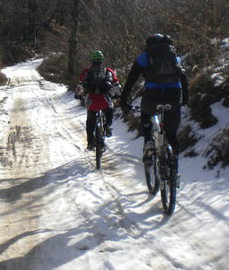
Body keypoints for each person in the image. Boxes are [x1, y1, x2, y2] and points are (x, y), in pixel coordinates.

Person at [120, 34, 189, 184]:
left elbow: (131, 81)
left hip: (152, 95)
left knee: (146, 115)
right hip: (173, 95)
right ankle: (174, 172)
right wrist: (185, 101)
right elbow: (183, 78)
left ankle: (149, 141)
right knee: (172, 134)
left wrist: (123, 101)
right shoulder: (175, 58)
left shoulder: (144, 57)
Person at [77, 50, 120, 150]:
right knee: (109, 110)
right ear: (102, 60)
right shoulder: (108, 71)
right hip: (104, 100)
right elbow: (117, 85)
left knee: (90, 122)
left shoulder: (86, 71)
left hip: (91, 100)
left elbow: (79, 86)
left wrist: (77, 95)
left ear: (91, 60)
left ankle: (90, 143)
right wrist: (119, 95)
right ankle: (108, 126)